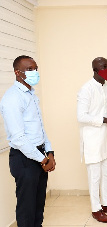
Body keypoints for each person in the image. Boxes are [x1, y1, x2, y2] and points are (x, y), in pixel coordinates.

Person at [0, 55, 56, 226]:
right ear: (18, 72)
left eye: (36, 68)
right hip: (24, 159)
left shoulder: (31, 94)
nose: (35, 72)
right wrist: (43, 159)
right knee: (26, 208)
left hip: (39, 154)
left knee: (39, 204)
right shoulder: (12, 98)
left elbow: (39, 127)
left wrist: (50, 152)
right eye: (30, 69)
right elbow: (18, 138)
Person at [77, 57, 107, 223]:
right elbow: (81, 116)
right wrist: (106, 119)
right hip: (92, 139)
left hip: (105, 138)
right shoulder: (86, 89)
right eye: (104, 67)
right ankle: (96, 209)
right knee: (95, 176)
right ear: (95, 70)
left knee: (106, 172)